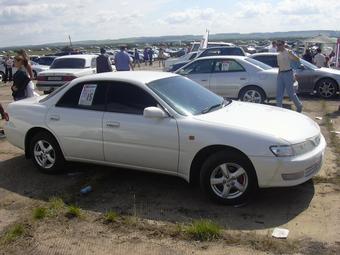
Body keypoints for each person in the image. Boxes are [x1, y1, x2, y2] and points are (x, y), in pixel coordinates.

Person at [276, 40, 303, 113]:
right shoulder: (278, 55)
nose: (278, 46)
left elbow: (297, 59)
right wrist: (278, 75)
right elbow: (279, 66)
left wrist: (293, 54)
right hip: (281, 74)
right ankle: (279, 109)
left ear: (283, 45)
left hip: (288, 73)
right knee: (279, 93)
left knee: (290, 92)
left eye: (280, 44)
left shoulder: (288, 52)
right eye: (277, 45)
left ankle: (299, 105)